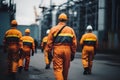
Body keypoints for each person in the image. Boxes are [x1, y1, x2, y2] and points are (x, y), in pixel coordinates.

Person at [45, 13, 77, 80]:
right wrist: (73, 53)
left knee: (58, 69)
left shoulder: (53, 29)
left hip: (57, 49)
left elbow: (49, 43)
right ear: (66, 20)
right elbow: (74, 43)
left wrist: (48, 52)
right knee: (66, 69)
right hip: (67, 51)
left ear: (58, 19)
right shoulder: (71, 30)